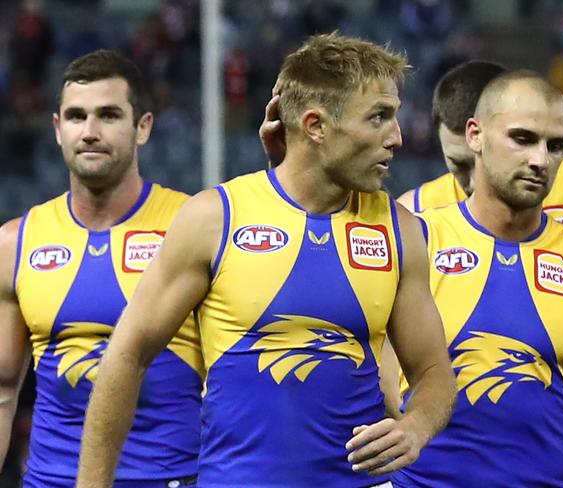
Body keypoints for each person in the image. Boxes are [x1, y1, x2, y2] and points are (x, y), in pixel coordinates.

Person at [75, 32, 457, 488]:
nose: (396, 137)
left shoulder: (400, 230)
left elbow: (434, 373)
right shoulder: (214, 219)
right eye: (379, 117)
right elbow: (127, 354)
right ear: (315, 126)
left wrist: (416, 427)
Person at [394, 70, 563, 486]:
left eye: (556, 145)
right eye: (523, 138)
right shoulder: (413, 240)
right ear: (474, 135)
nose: (540, 160)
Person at [0, 50, 204, 487]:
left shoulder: (193, 226)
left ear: (143, 127)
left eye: (109, 115)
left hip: (170, 479)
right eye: (76, 117)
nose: (89, 132)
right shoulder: (15, 242)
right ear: (58, 129)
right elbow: (2, 392)